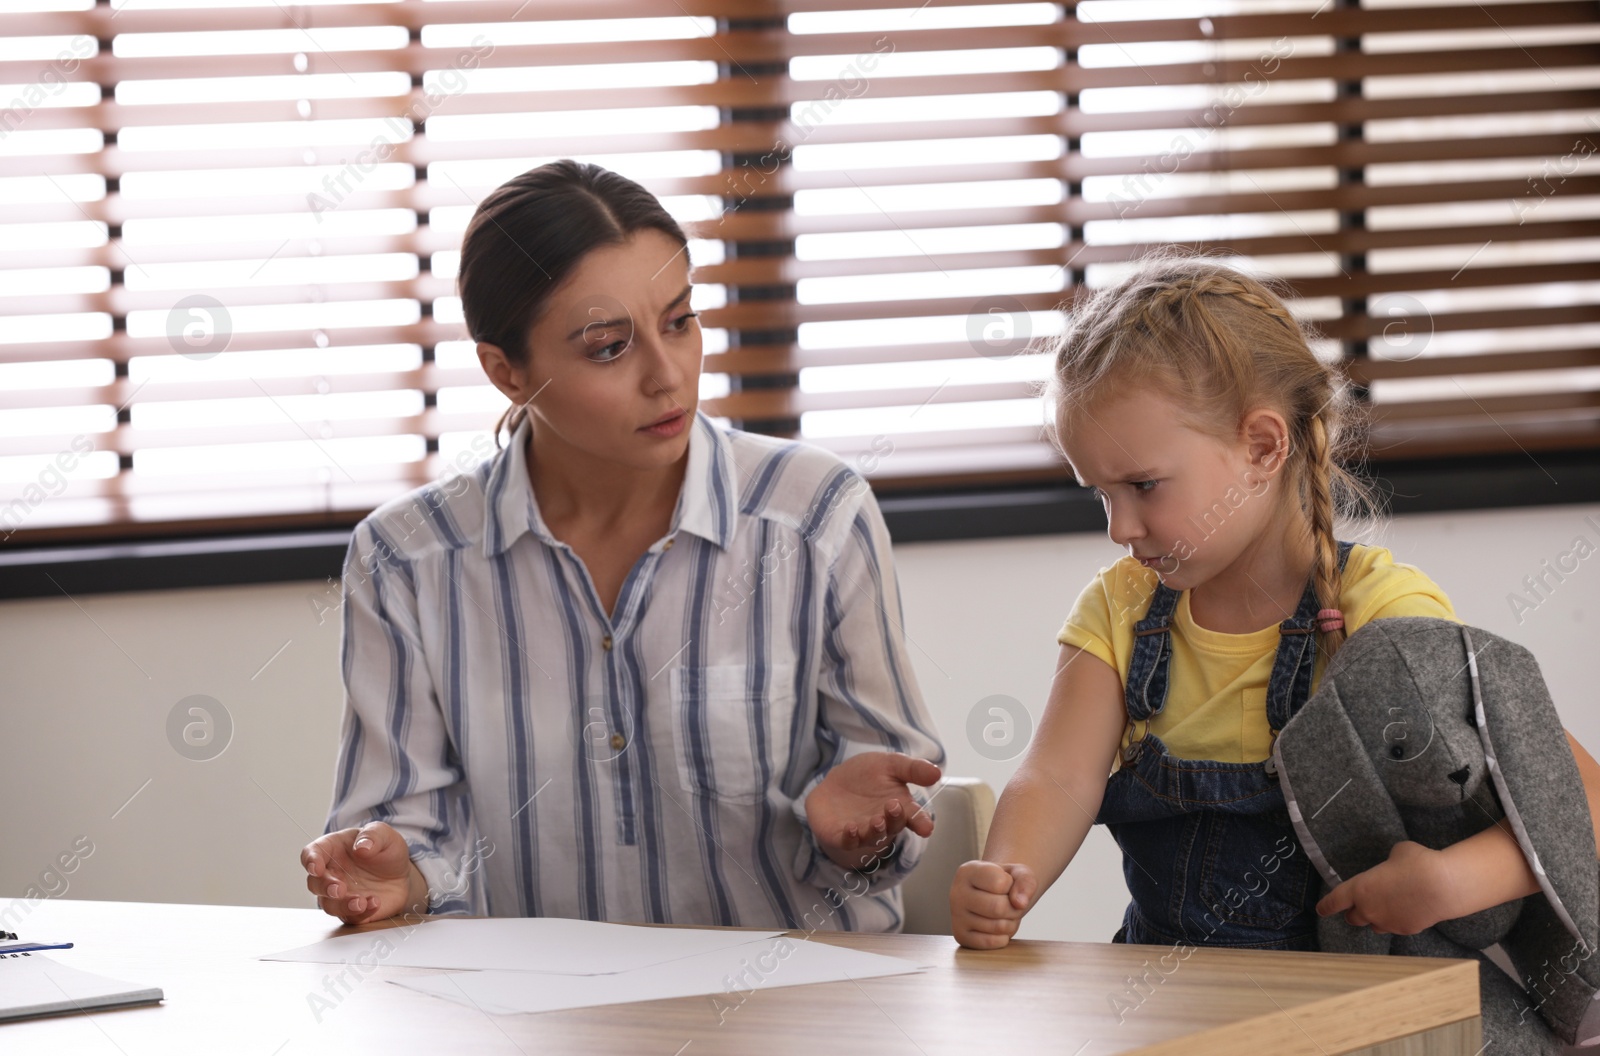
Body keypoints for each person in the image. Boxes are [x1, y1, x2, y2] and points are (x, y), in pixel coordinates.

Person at [299, 160, 945, 932]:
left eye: (680, 320)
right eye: (608, 347)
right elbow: (403, 827)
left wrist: (856, 833)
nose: (667, 374)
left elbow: (891, 795)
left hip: (792, 1017)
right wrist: (397, 872)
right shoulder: (405, 558)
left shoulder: (815, 516)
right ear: (507, 372)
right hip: (534, 1025)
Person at [949, 255, 1600, 951]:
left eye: (1143, 486)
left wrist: (1454, 882)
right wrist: (1005, 874)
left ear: (1262, 446)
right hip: (1163, 996)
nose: (1120, 528)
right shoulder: (1120, 609)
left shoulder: (1376, 611)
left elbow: (1578, 799)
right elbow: (1057, 777)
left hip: (1347, 1007)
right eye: (1101, 494)